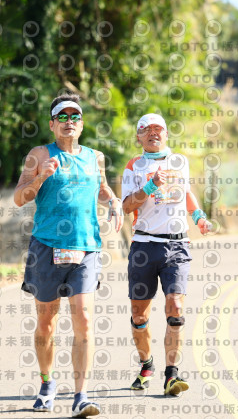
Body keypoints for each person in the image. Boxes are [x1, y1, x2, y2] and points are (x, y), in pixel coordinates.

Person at [13, 93, 124, 417]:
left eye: (75, 117)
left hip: (85, 247)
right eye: (62, 117)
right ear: (52, 124)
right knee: (46, 323)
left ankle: (81, 396)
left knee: (84, 321)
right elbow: (19, 198)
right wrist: (41, 176)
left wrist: (114, 201)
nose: (69, 122)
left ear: (82, 124)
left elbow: (101, 188)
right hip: (46, 247)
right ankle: (47, 383)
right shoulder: (39, 154)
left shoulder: (95, 157)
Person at [121, 113, 212, 397]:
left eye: (158, 129)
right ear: (139, 136)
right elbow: (126, 206)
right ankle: (146, 364)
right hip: (144, 246)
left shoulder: (180, 161)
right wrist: (150, 186)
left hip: (177, 246)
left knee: (175, 306)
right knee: (139, 314)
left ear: (166, 134)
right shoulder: (134, 166)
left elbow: (186, 192)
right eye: (146, 130)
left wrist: (198, 216)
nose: (153, 133)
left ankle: (172, 375)